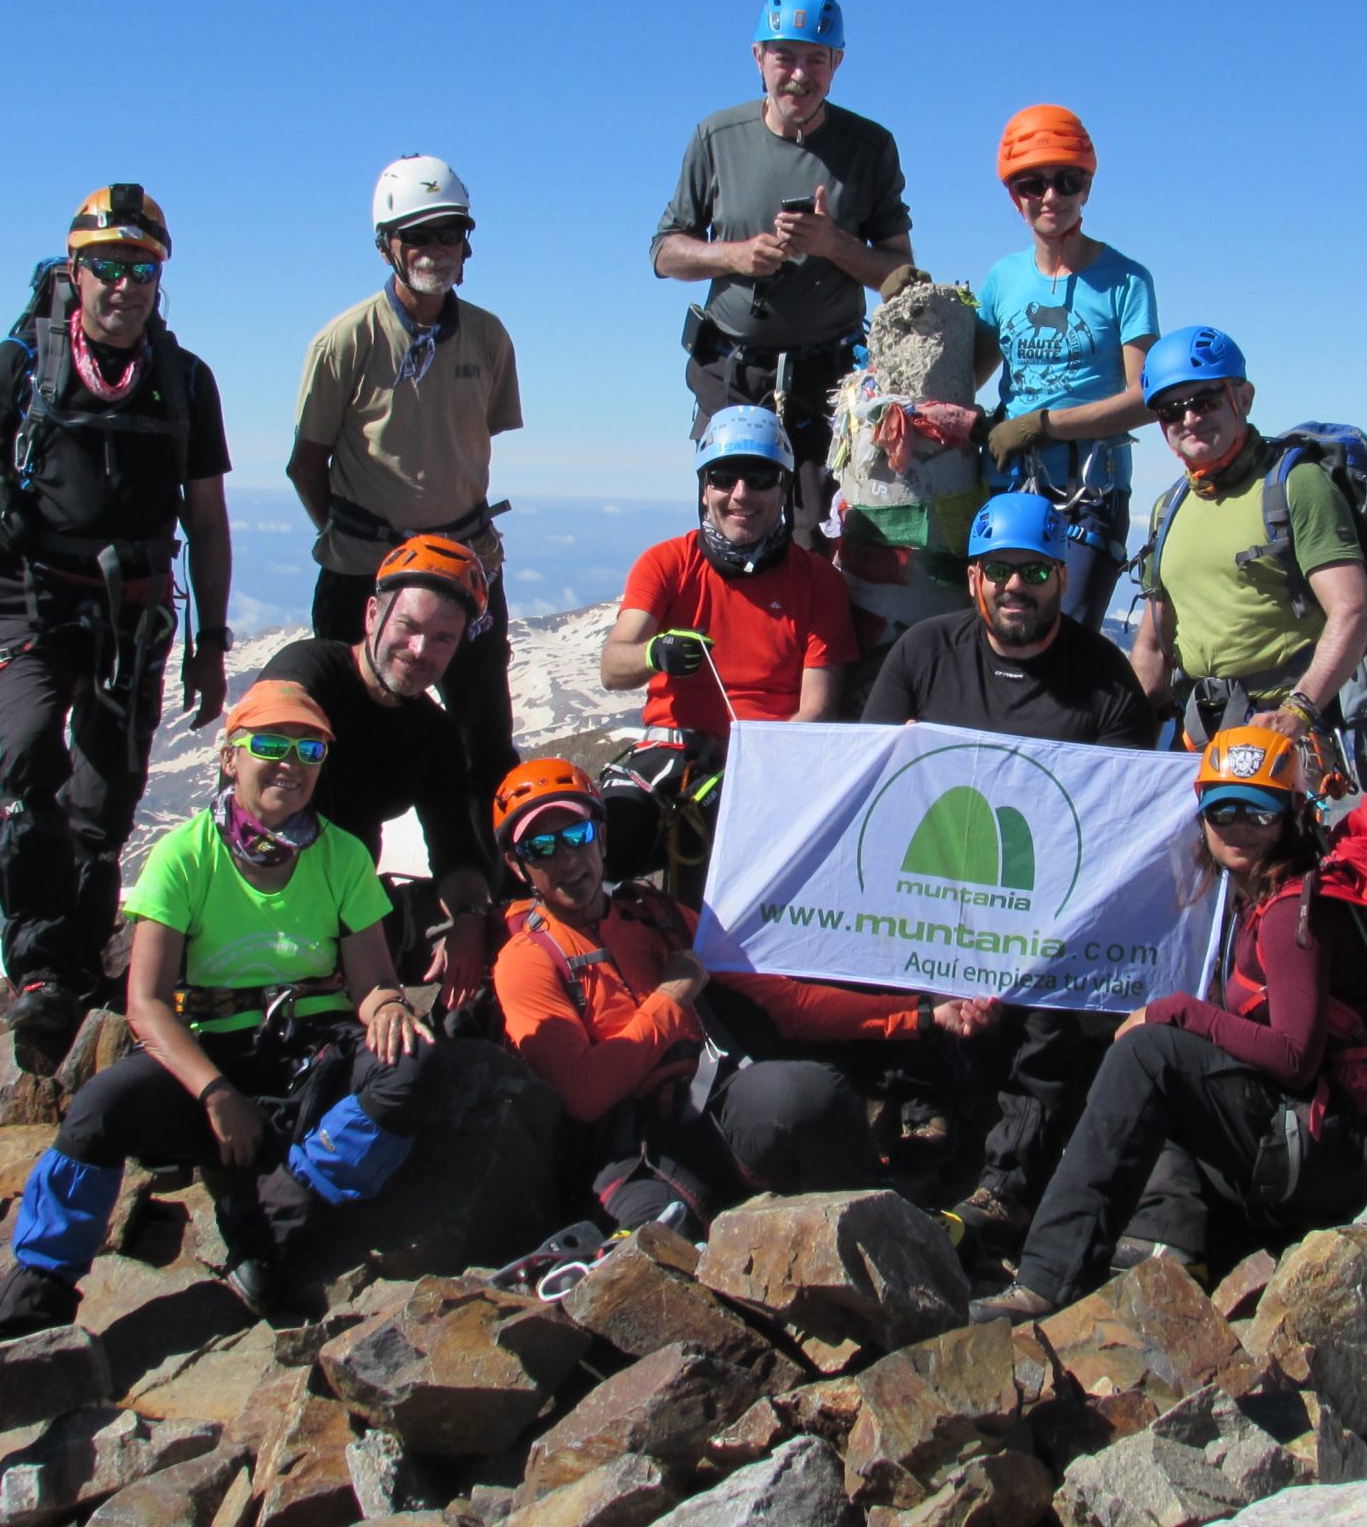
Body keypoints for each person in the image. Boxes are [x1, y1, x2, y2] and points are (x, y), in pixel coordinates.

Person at [0, 681, 437, 1335]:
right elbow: (147, 1005)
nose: (291, 762)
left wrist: (389, 1003)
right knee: (99, 1110)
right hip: (213, 1056)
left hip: (313, 1053)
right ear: (230, 759)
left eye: (309, 749)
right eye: (270, 745)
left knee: (409, 1065)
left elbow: (371, 983)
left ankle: (270, 1222)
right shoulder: (185, 855)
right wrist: (218, 1096)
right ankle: (36, 1296)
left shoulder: (341, 855)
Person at [0, 183, 232, 1056]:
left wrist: (211, 645)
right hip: (29, 598)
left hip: (132, 613)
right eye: (107, 266)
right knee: (30, 759)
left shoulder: (183, 381)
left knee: (104, 801)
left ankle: (71, 961)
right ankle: (37, 969)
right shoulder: (19, 365)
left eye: (142, 268)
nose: (125, 285)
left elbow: (207, 521)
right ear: (76, 269)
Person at [488, 758, 994, 1233]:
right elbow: (585, 1093)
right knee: (657, 1243)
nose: (567, 858)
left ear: (601, 837)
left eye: (576, 835)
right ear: (517, 866)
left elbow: (786, 1002)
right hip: (625, 1153)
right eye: (540, 848)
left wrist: (920, 1014)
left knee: (809, 1094)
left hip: (717, 1108)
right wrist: (673, 995)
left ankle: (888, 1225)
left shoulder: (654, 915)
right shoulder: (525, 961)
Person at [970, 726, 1367, 1322]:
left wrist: (1174, 1011)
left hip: (1324, 1157)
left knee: (1152, 1053)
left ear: (1289, 815)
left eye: (1258, 812)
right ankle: (1167, 1244)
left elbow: (1293, 1058)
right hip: (1304, 1145)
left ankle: (1048, 1279)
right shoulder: (1258, 895)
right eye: (1223, 810)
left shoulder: (1291, 913)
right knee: (1170, 1057)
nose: (1238, 827)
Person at [860, 491, 1156, 1248]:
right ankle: (908, 1126)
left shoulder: (1107, 682)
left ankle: (1008, 1185)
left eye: (1032, 570)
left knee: (1056, 994)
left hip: (1050, 905)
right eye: (999, 571)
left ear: (1062, 576)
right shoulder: (925, 654)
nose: (1014, 587)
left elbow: (1113, 836)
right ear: (973, 580)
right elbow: (870, 788)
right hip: (935, 890)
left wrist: (1011, 945)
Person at [652, 0, 919, 550]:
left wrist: (832, 243)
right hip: (732, 373)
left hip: (826, 381)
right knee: (731, 527)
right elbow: (665, 251)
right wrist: (735, 255)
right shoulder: (717, 138)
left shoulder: (869, 148)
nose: (800, 75)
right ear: (759, 58)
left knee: (812, 541)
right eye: (785, 56)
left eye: (816, 59)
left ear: (837, 63)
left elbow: (900, 275)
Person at [289, 155, 523, 797]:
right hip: (366, 569)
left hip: (465, 564)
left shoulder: (488, 337)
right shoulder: (346, 342)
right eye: (418, 235)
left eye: (449, 232)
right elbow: (306, 464)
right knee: (345, 741)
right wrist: (352, 538)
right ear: (387, 245)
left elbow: (466, 441)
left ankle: (491, 882)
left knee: (486, 733)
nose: (436, 249)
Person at [597, 406, 856, 886]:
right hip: (672, 754)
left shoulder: (819, 582)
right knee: (602, 843)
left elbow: (816, 711)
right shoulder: (667, 563)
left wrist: (748, 769)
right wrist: (656, 653)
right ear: (704, 488)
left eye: (759, 477)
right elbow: (614, 667)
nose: (741, 494)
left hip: (769, 760)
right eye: (723, 477)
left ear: (784, 489)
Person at [1125, 327, 1367, 785]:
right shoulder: (1170, 508)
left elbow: (1353, 612)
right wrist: (1123, 737)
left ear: (1242, 398)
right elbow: (1153, 645)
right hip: (1198, 733)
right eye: (1171, 410)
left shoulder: (1296, 485)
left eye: (1204, 400)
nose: (1188, 418)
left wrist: (1297, 714)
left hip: (1282, 732)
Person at [260, 537, 503, 1019]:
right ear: (372, 614)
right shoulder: (309, 673)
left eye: (442, 640)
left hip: (356, 911)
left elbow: (455, 849)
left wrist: (472, 919)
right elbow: (262, 781)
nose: (420, 651)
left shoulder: (432, 734)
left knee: (505, 945)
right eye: (409, 628)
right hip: (270, 900)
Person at [972, 106, 1159, 632]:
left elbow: (1147, 396)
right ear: (1015, 197)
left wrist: (1042, 425)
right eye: (1032, 184)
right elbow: (967, 381)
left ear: (1086, 189)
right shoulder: (1002, 280)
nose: (1050, 196)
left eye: (1067, 181)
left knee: (1067, 634)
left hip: (1090, 492)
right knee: (1005, 632)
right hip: (1008, 485)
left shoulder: (1125, 281)